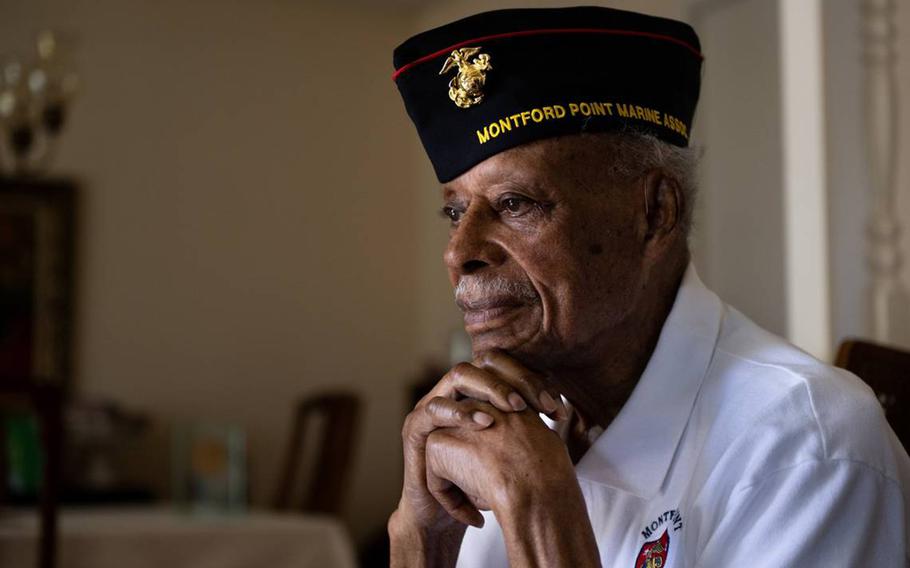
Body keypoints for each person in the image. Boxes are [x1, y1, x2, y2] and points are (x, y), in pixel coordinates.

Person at [388, 6, 910, 566]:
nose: (459, 253)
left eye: (515, 205)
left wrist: (540, 514)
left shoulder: (809, 445)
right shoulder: (504, 427)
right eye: (456, 213)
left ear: (655, 211)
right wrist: (420, 539)